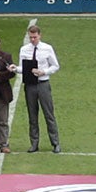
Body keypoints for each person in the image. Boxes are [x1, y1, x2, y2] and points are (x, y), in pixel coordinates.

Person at [18, 20, 63, 154]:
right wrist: (15, 69)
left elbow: (55, 66)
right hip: (30, 85)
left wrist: (44, 72)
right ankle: (34, 144)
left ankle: (55, 143)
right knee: (32, 116)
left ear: (39, 35)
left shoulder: (47, 48)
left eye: (35, 37)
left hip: (43, 84)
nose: (32, 39)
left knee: (49, 114)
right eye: (30, 37)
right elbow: (22, 67)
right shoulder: (24, 49)